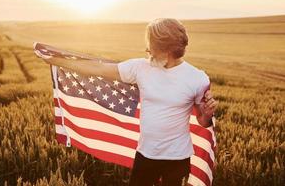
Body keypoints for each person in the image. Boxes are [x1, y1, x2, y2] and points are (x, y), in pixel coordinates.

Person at [36, 18, 218, 186]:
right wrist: (56, 60)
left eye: (151, 47)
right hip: (146, 155)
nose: (148, 51)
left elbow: (203, 121)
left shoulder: (197, 78)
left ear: (166, 48)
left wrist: (207, 114)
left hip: (178, 158)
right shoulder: (140, 68)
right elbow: (98, 68)